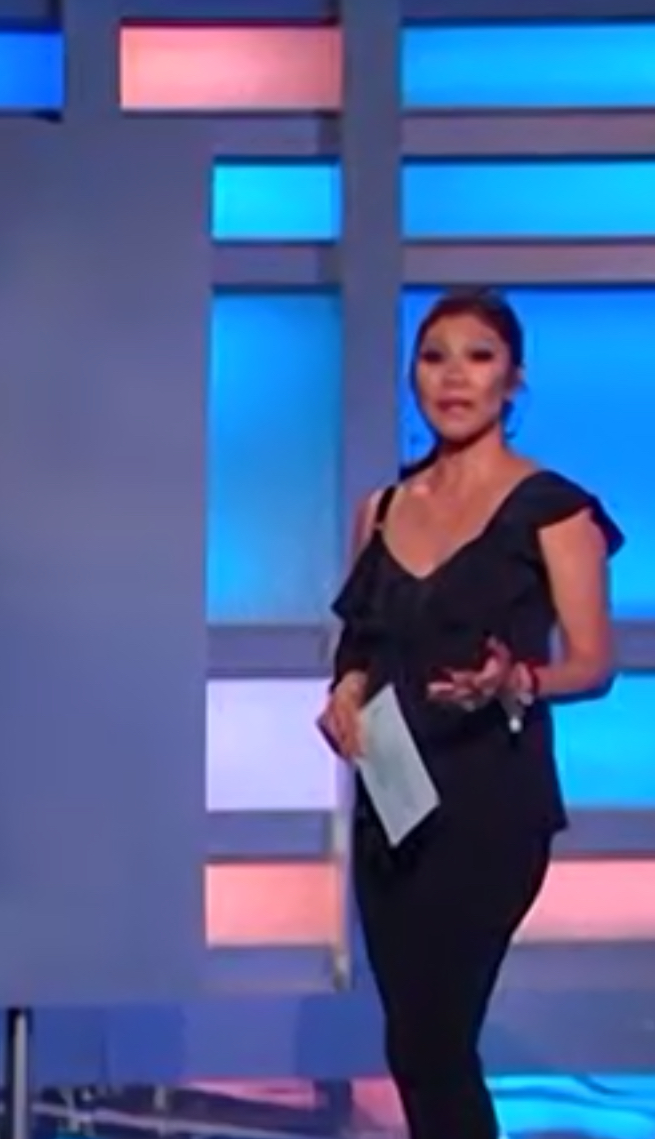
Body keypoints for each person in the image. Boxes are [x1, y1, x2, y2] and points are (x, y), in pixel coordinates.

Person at [316, 288, 620, 1139]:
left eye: (479, 357)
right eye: (435, 356)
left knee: (436, 1038)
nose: (454, 376)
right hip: (392, 796)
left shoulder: (555, 509)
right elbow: (361, 644)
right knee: (410, 1046)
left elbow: (594, 663)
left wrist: (514, 678)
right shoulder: (381, 509)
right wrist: (345, 692)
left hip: (491, 804)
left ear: (512, 381)